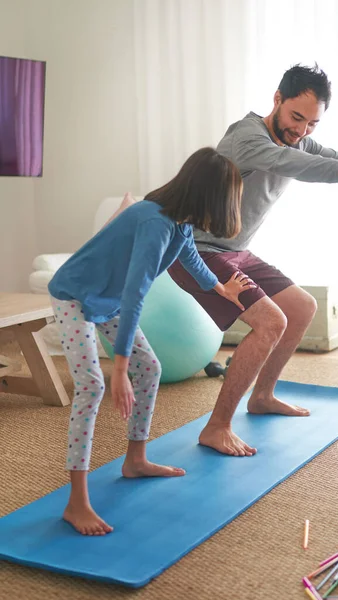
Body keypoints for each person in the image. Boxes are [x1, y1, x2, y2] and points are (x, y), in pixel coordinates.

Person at [166, 64, 338, 457]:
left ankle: (263, 396)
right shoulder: (248, 137)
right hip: (196, 250)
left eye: (312, 123)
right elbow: (294, 164)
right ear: (276, 99)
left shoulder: (299, 140)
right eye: (296, 117)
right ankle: (216, 426)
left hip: (234, 251)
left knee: (302, 307)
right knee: (270, 322)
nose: (302, 131)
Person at [48, 147, 255, 536]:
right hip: (74, 295)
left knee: (152, 368)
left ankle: (136, 460)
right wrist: (120, 368)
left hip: (106, 298)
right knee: (92, 386)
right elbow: (135, 293)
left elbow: (190, 255)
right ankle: (76, 503)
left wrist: (219, 288)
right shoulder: (155, 221)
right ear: (208, 195)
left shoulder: (179, 222)